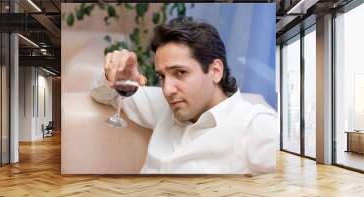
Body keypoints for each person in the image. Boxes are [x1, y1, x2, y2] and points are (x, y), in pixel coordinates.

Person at [90, 17, 278, 174]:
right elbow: (103, 94)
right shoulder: (164, 104)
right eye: (162, 76)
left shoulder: (256, 126)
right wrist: (114, 75)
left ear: (215, 71)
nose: (167, 89)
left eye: (180, 72)